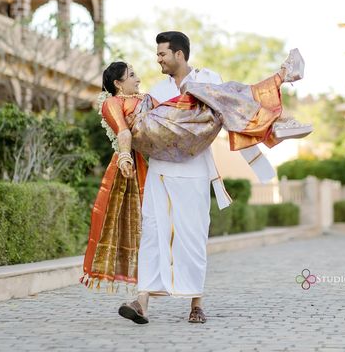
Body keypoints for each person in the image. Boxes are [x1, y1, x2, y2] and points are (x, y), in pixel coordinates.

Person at [82, 32, 311, 324]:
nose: (158, 60)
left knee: (193, 236)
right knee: (153, 235)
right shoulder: (154, 91)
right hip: (162, 171)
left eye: (162, 54)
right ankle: (142, 302)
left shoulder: (209, 79)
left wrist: (257, 138)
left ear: (179, 54)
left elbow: (231, 114)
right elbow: (136, 127)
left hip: (194, 170)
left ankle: (196, 303)